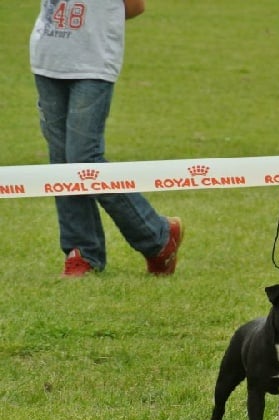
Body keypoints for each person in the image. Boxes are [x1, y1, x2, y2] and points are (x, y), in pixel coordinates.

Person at [29, 0, 184, 278]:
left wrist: (91, 24)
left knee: (84, 159)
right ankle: (82, 254)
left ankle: (157, 236)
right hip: (48, 57)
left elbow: (135, 7)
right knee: (62, 162)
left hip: (93, 62)